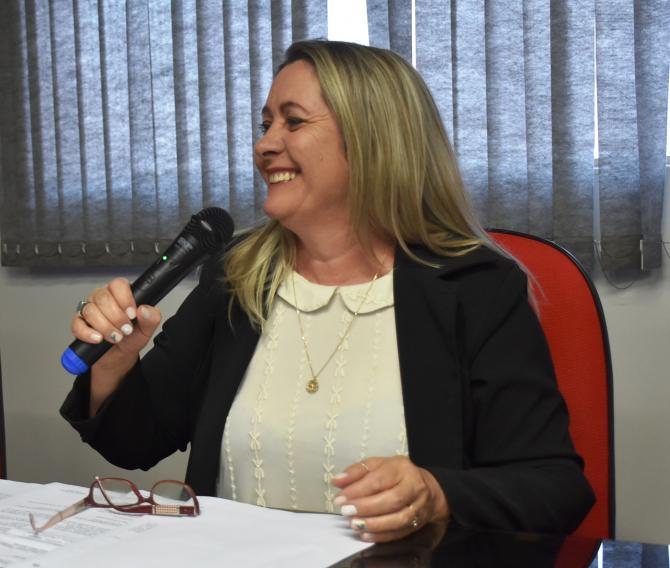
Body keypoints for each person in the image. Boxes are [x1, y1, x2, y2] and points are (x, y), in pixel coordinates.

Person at [61, 39, 594, 543]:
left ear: (373, 140)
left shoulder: (475, 288)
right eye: (266, 124)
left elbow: (554, 489)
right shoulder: (237, 276)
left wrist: (437, 494)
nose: (265, 145)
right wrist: (116, 362)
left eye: (293, 121)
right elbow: (136, 443)